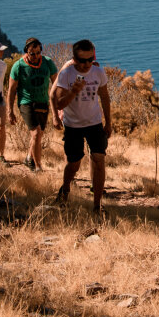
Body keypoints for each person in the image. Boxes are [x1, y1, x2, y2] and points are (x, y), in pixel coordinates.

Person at [51, 39, 112, 213]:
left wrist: (108, 122)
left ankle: (97, 205)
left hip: (94, 123)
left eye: (90, 59)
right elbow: (59, 103)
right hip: (73, 126)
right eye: (83, 60)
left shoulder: (98, 72)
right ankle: (65, 189)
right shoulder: (66, 74)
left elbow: (104, 97)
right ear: (74, 59)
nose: (87, 64)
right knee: (74, 164)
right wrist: (73, 91)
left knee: (99, 160)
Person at [7, 37, 58, 171]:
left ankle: (29, 158)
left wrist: (59, 106)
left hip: (43, 102)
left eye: (38, 53)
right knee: (36, 133)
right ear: (26, 52)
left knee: (39, 135)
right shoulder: (18, 66)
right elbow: (11, 90)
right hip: (26, 102)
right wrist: (10, 111)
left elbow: (56, 84)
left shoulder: (47, 63)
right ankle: (37, 166)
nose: (35, 56)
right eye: (32, 53)